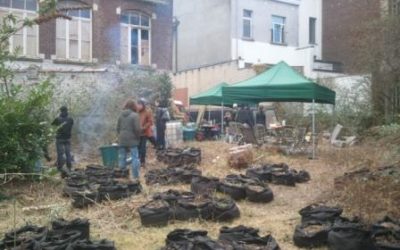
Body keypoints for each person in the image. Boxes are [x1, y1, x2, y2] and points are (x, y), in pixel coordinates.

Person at [117, 100, 141, 179]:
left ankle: (123, 176)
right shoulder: (135, 115)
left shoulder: (120, 115)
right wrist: (138, 137)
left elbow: (117, 128)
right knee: (135, 158)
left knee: (122, 157)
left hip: (122, 139)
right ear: (134, 106)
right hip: (132, 139)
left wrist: (120, 136)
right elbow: (137, 129)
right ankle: (135, 176)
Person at [52, 106, 74, 176]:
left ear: (61, 111)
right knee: (68, 154)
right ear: (67, 111)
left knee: (60, 154)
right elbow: (71, 125)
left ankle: (60, 168)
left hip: (60, 139)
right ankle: (69, 167)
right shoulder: (70, 119)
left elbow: (52, 124)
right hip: (67, 139)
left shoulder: (58, 119)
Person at [137, 99, 154, 166]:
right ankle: (138, 161)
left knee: (143, 148)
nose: (139, 106)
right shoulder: (136, 112)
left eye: (140, 104)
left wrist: (144, 127)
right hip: (137, 133)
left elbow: (150, 122)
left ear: (143, 105)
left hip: (144, 132)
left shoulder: (147, 112)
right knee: (138, 147)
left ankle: (142, 162)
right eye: (138, 104)